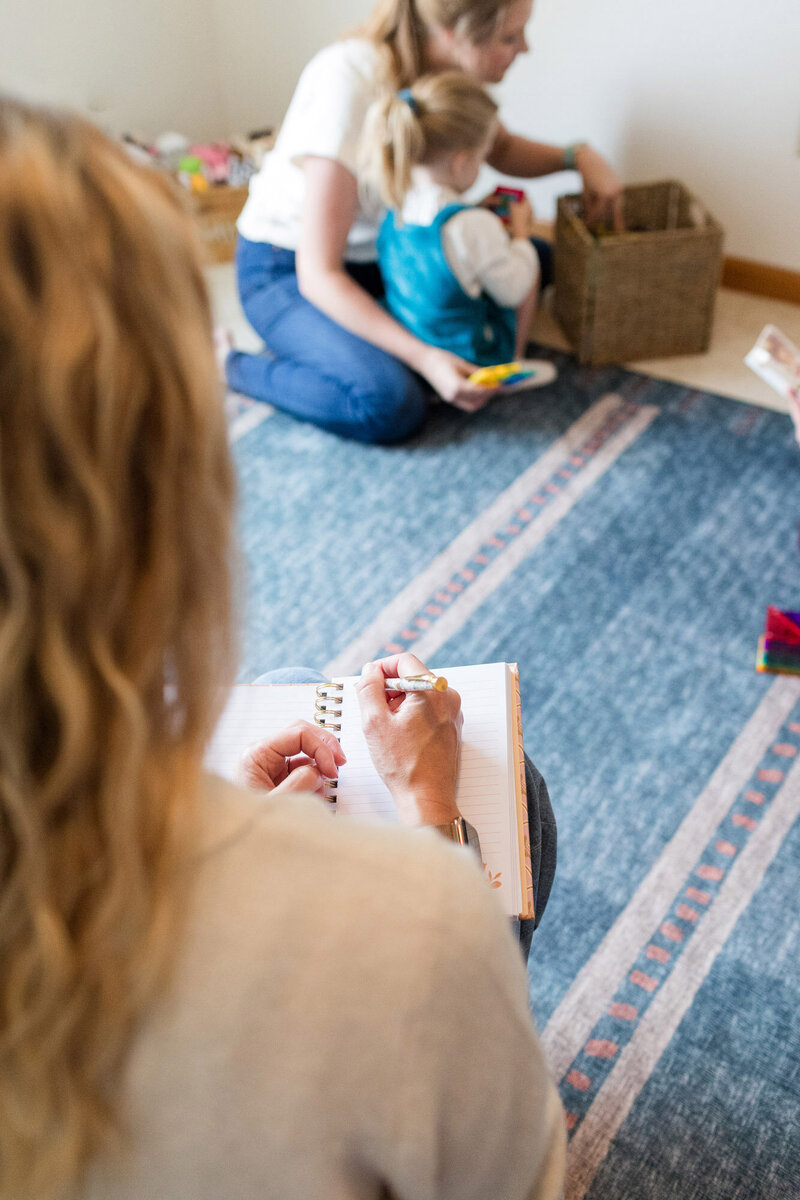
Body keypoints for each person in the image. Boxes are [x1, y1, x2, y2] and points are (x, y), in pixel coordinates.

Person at [0, 98, 565, 1200]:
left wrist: (241, 823)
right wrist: (426, 832)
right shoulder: (412, 929)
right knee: (517, 797)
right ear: (177, 492)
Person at [224, 0, 623, 444]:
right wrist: (427, 358)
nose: (524, 49)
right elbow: (320, 275)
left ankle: (356, 347)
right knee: (390, 404)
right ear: (454, 32)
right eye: (509, 37)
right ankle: (230, 364)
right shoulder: (347, 79)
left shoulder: (445, 70)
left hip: (384, 252)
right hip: (287, 270)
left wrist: (578, 157)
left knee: (535, 260)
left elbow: (500, 147)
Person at [363, 70, 549, 369]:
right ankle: (512, 362)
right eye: (482, 156)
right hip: (467, 355)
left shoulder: (397, 203)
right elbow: (514, 289)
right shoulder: (473, 225)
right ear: (462, 161)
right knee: (530, 263)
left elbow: (441, 240)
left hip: (413, 336)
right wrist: (522, 234)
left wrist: (474, 207)